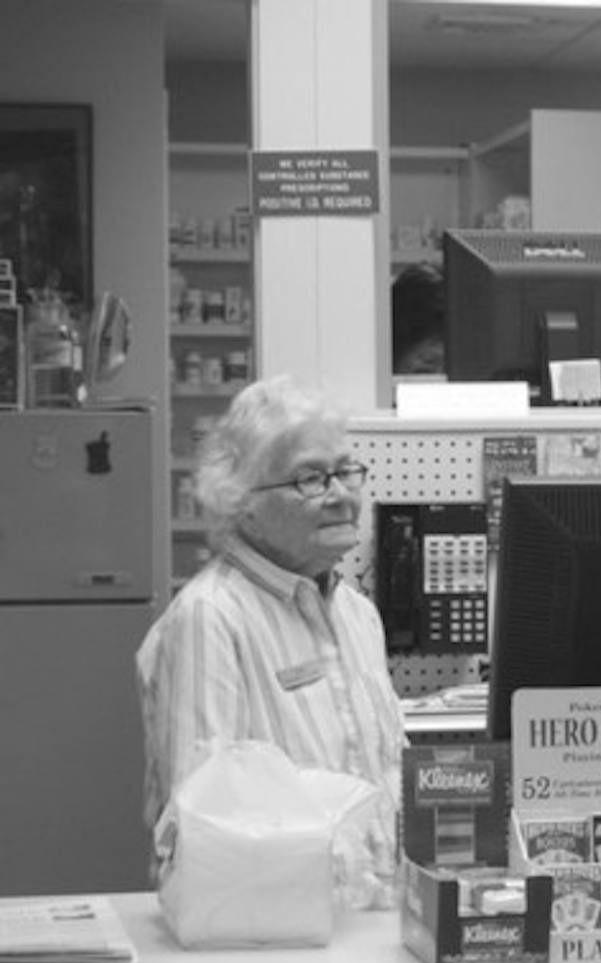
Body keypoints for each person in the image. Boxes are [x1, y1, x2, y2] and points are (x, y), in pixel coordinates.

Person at [136, 375, 406, 908]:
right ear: (242, 503)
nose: (342, 495)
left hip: (371, 929)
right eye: (310, 478)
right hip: (272, 932)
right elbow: (205, 822)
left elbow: (386, 772)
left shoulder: (356, 614)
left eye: (347, 471)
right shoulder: (211, 616)